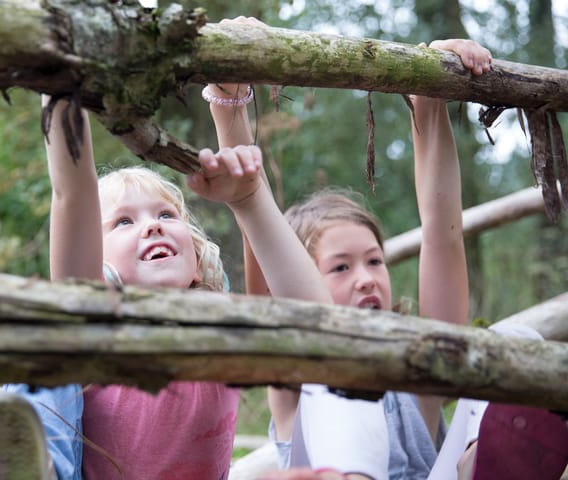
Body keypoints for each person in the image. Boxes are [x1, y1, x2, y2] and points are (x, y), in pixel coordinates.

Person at [0, 86, 335, 479]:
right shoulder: (97, 327)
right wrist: (61, 83)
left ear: (198, 265)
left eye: (167, 215)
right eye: (124, 222)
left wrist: (229, 99)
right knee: (51, 338)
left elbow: (306, 311)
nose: (152, 226)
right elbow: (72, 193)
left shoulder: (221, 329)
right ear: (99, 269)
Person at [201, 16, 504, 480]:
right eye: (340, 268)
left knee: (510, 348)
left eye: (374, 260)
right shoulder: (294, 377)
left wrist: (431, 98)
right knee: (346, 383)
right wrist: (229, 99)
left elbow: (442, 234)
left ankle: (494, 454)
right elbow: (256, 224)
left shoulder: (417, 367)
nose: (366, 276)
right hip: (331, 463)